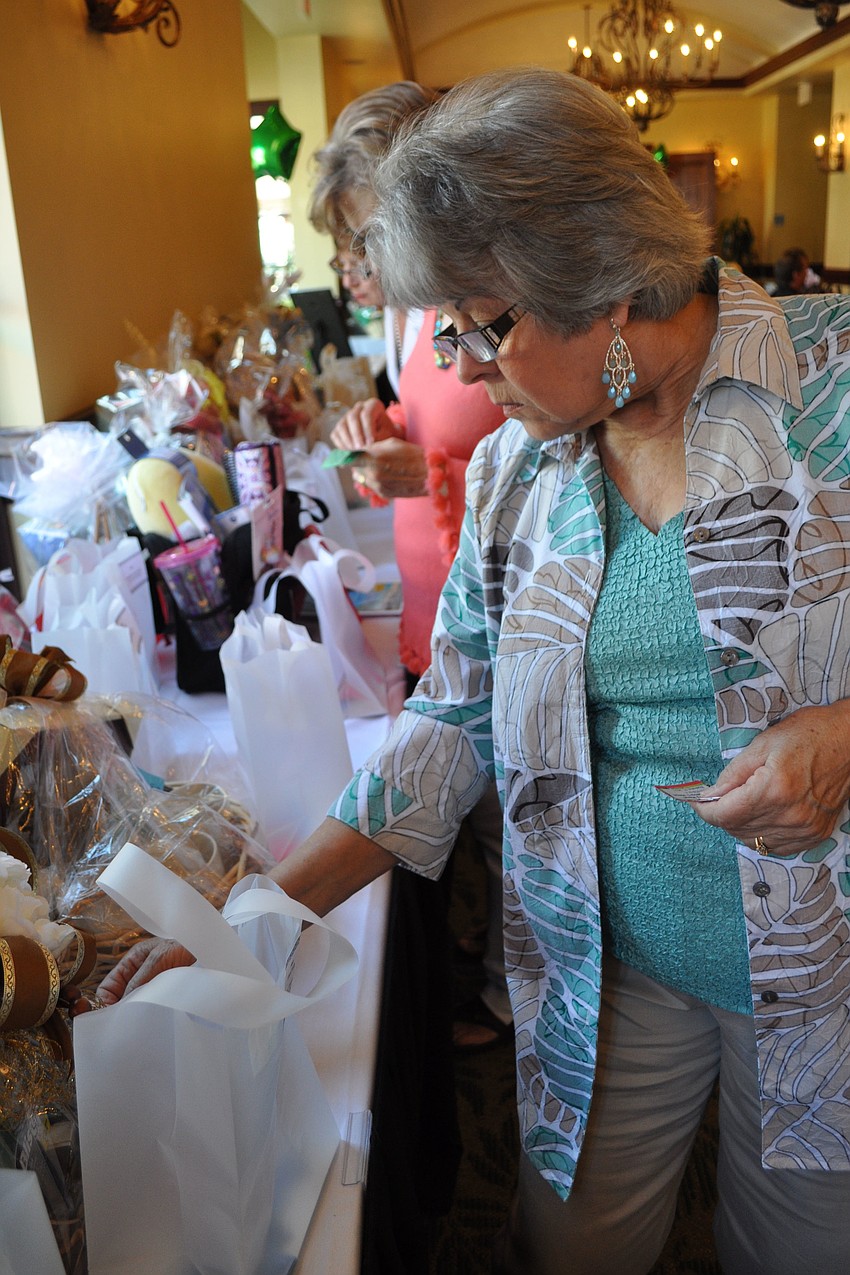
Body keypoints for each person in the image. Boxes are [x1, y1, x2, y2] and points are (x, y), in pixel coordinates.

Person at [102, 67, 850, 1275]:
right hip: (612, 963)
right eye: (439, 326)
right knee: (567, 1245)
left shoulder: (834, 388)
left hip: (829, 973)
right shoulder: (519, 475)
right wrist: (258, 911)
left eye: (477, 322)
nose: (454, 368)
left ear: (597, 279)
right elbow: (448, 722)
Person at [307, 82, 511, 1051]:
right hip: (443, 596)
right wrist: (386, 433)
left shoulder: (499, 303)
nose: (363, 263)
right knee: (471, 817)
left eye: (368, 233)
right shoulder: (417, 315)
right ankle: (488, 971)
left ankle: (526, 1003)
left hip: (509, 606)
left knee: (518, 828)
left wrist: (424, 467)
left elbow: (550, 489)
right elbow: (439, 430)